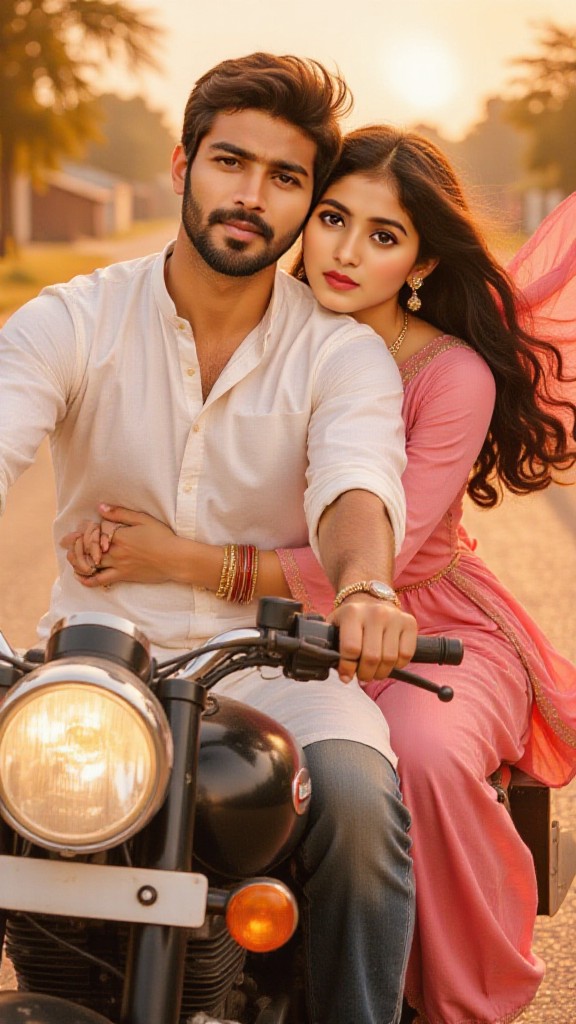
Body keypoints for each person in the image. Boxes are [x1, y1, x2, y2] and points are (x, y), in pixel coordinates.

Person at [67, 128, 576, 1024]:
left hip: (416, 621)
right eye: (335, 217)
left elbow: (397, 549)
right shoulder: (261, 319)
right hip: (255, 620)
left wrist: (179, 557)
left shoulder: (449, 374)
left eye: (384, 235)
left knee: (409, 756)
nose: (345, 250)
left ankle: (454, 998)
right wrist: (104, 535)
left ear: (420, 260)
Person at [0, 55, 423, 1024]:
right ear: (184, 162)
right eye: (232, 161)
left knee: (359, 805)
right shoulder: (76, 316)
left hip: (286, 669)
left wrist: (364, 590)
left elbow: (357, 482)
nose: (251, 194)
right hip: (93, 666)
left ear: (306, 202)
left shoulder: (339, 351)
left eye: (285, 178)